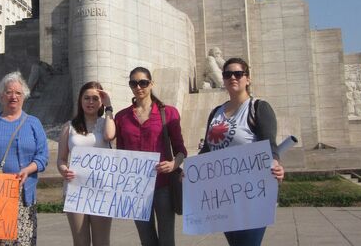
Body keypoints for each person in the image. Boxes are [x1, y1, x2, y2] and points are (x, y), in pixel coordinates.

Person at [199, 57, 284, 246]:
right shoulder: (216, 113)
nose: (233, 78)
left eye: (238, 74)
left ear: (248, 78)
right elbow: (207, 149)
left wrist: (275, 162)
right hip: (224, 195)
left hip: (252, 193)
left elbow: (269, 144)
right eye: (227, 74)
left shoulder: (259, 108)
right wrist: (191, 170)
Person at [0, 71, 49, 246]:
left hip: (22, 197)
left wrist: (28, 170)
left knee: (20, 242)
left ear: (24, 97)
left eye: (18, 93)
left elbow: (43, 156)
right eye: (8, 92)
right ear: (1, 96)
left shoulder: (33, 123)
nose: (13, 97)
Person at [114, 67, 187, 246]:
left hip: (163, 185)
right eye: (134, 83)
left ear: (151, 84)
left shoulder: (168, 113)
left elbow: (180, 150)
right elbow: (121, 153)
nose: (138, 87)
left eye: (143, 83)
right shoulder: (121, 117)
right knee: (146, 240)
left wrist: (173, 164)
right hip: (135, 187)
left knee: (167, 239)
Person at [57, 81, 116, 246]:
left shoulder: (107, 123)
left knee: (101, 241)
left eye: (95, 98)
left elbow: (110, 136)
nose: (90, 102)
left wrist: (109, 106)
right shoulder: (68, 127)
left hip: (101, 189)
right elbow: (61, 158)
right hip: (76, 189)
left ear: (101, 102)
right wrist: (63, 170)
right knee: (80, 241)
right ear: (80, 101)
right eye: (86, 98)